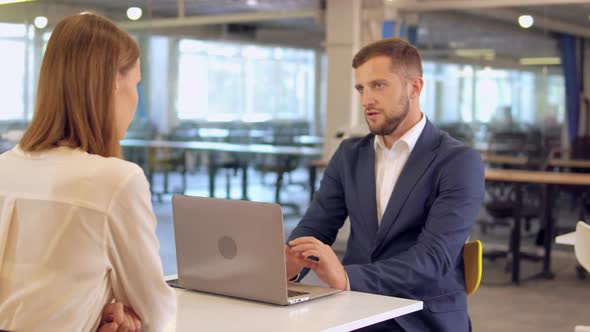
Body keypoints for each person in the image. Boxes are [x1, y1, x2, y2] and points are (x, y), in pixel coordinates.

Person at [285, 38, 485, 331]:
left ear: (414, 87)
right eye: (361, 88)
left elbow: (434, 259)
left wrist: (346, 277)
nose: (367, 100)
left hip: (421, 316)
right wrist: (288, 261)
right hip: (356, 309)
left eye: (378, 85)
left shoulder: (458, 161)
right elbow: (316, 227)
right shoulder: (349, 155)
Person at [0, 13, 175, 331]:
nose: (136, 99)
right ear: (113, 83)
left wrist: (96, 306)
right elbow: (157, 313)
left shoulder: (4, 167)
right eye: (135, 84)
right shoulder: (116, 180)